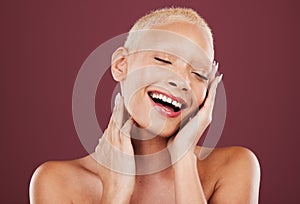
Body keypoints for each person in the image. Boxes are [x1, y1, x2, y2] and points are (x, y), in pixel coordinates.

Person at [29, 7, 260, 203]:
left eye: (199, 74)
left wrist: (183, 159)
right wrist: (116, 193)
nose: (181, 81)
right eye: (163, 60)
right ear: (121, 65)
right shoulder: (56, 181)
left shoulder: (234, 167)